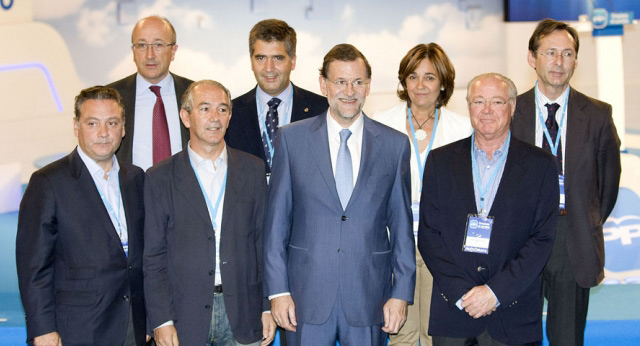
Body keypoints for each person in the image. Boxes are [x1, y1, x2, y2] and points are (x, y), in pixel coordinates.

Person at [263, 43, 415, 346]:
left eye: (358, 82)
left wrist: (401, 293)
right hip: (305, 300)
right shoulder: (292, 140)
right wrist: (278, 292)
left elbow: (401, 228)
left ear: (368, 86)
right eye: (340, 82)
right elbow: (276, 224)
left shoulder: (394, 145)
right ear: (324, 85)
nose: (349, 91)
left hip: (368, 298)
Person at [418, 73, 559, 345]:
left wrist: (495, 293)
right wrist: (463, 294)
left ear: (513, 106)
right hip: (454, 313)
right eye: (479, 101)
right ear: (468, 105)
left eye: (496, 102)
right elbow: (429, 235)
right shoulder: (440, 161)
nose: (487, 110)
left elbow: (541, 240)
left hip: (512, 314)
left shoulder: (540, 166)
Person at [511, 19, 621, 346]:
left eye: (568, 53)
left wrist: (579, 218)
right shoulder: (509, 110)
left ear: (575, 60)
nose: (559, 62)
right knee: (513, 336)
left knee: (567, 339)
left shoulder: (598, 115)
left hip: (570, 240)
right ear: (532, 58)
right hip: (518, 239)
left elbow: (608, 186)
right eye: (550, 52)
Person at [143, 80, 276, 346]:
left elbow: (264, 244)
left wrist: (265, 306)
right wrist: (161, 320)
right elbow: (153, 257)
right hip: (184, 317)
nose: (215, 118)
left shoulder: (252, 169)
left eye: (223, 109)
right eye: (205, 109)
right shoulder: (159, 177)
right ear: (186, 116)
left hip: (244, 313)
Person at [16, 86, 147, 346]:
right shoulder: (48, 182)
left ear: (123, 128)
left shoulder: (137, 178)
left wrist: (148, 318)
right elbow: (33, 266)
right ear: (76, 126)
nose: (103, 133)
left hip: (133, 326)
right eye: (92, 123)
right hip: (76, 330)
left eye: (112, 123)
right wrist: (42, 330)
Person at [371, 42, 472, 346]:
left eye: (429, 77)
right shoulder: (379, 122)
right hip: (393, 246)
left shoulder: (464, 128)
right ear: (403, 81)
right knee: (399, 335)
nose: (420, 85)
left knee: (434, 334)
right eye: (413, 76)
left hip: (442, 247)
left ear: (443, 82)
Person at [225, 19, 327, 173]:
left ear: (292, 61)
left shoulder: (322, 110)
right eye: (261, 58)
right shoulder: (230, 114)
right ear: (251, 62)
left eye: (278, 58)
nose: (269, 68)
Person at [108, 16, 193, 170]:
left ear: (173, 51)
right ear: (133, 51)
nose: (149, 55)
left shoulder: (194, 93)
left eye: (158, 45)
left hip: (184, 190)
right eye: (141, 45)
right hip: (129, 191)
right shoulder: (111, 97)